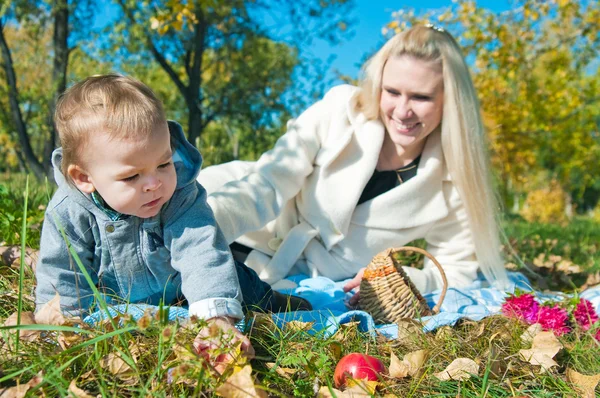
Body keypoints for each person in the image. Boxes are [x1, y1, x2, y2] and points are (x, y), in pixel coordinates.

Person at [197, 24, 509, 306]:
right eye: (392, 91)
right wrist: (204, 229)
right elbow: (269, 182)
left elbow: (453, 270)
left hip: (292, 279)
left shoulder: (454, 180)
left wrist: (403, 278)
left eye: (421, 97)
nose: (402, 111)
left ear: (449, 101)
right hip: (239, 212)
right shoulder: (340, 110)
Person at [35, 74, 307, 364]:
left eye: (164, 163)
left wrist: (216, 321)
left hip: (186, 283)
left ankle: (273, 300)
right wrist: (66, 327)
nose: (155, 183)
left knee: (238, 284)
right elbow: (62, 272)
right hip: (118, 295)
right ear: (84, 178)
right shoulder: (68, 212)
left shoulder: (178, 195)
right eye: (131, 176)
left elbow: (200, 251)